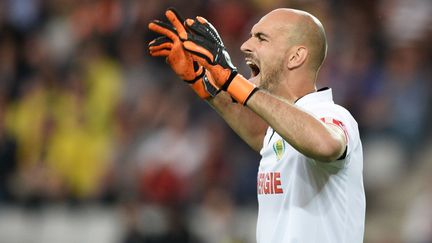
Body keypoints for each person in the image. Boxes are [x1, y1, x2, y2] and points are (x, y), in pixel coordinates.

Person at [148, 7, 365, 243]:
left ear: (295, 57)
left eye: (261, 38)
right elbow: (261, 135)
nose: (244, 46)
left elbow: (326, 145)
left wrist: (233, 81)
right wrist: (203, 82)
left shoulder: (331, 114)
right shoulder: (280, 131)